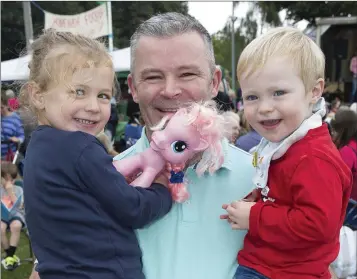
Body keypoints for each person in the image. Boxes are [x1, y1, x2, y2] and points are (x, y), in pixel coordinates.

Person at [21, 29, 173, 279]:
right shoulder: (79, 147)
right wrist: (162, 190)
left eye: (103, 95)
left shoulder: (38, 147)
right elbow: (132, 208)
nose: (93, 107)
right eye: (79, 91)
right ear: (38, 95)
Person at [114, 12, 255, 279]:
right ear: (132, 87)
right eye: (153, 77)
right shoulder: (105, 177)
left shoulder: (260, 179)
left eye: (187, 74)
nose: (170, 90)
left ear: (214, 82)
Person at [222, 27, 352, 279]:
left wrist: (255, 216)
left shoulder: (313, 157)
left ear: (314, 91)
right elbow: (286, 199)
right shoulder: (286, 144)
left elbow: (317, 226)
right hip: (268, 265)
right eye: (252, 97)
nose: (264, 108)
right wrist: (254, 201)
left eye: (278, 93)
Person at [1, 161, 25, 271]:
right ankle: (9, 255)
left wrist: (11, 192)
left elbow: (20, 207)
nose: (10, 182)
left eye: (12, 179)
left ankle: (10, 257)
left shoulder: (18, 189)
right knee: (1, 228)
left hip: (16, 214)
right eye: (6, 179)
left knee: (16, 226)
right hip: (3, 215)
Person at [331, 109, 357, 201]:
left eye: (335, 130)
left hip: (350, 206)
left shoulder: (347, 152)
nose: (333, 134)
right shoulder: (353, 144)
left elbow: (337, 183)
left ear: (343, 130)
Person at [1, 91, 25, 161]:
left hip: (9, 157)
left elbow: (21, 136)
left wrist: (18, 139)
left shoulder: (14, 118)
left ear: (6, 105)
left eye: (1, 107)